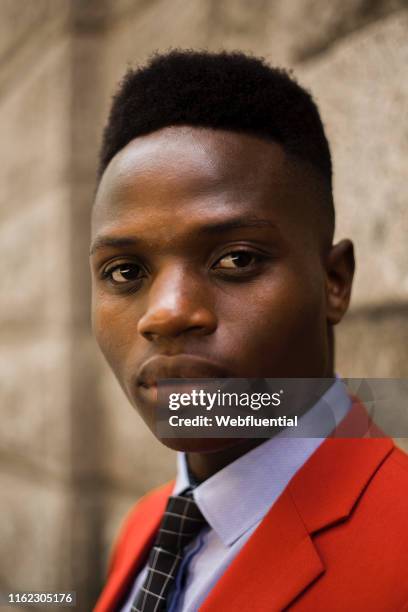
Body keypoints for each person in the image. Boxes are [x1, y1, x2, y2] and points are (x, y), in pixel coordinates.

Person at [91, 51, 408, 611]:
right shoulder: (146, 526)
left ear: (334, 282)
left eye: (236, 260)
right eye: (125, 272)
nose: (165, 313)